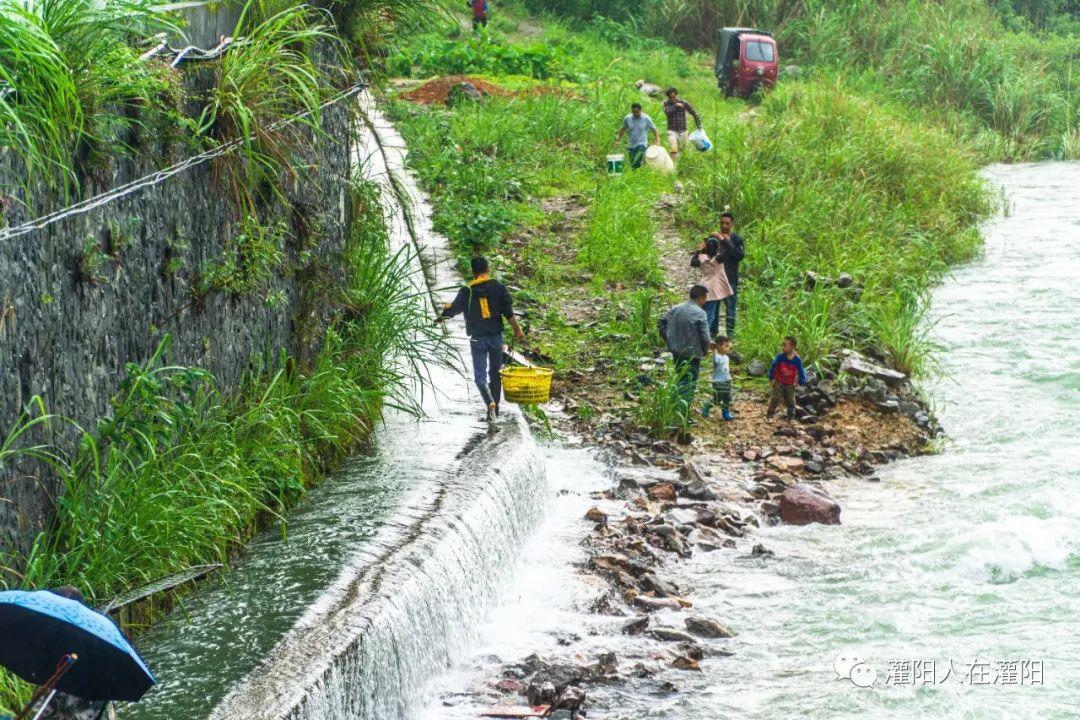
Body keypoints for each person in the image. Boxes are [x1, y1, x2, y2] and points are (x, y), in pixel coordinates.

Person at [438, 256, 526, 422]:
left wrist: (441, 317)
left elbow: (453, 310)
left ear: (472, 272)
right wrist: (518, 331)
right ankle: (495, 411)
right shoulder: (498, 287)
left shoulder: (467, 291)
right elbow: (508, 312)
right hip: (496, 338)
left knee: (480, 377)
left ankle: (489, 403)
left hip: (477, 339)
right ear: (488, 270)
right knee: (495, 373)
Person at [658, 285, 711, 419]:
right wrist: (705, 351)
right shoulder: (700, 314)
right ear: (701, 298)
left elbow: (661, 322)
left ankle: (672, 409)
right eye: (705, 298)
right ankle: (682, 414)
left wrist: (669, 339)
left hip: (676, 351)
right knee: (689, 383)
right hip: (692, 354)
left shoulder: (677, 308)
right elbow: (705, 337)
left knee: (681, 379)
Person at [690, 236, 734, 338]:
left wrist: (698, 251)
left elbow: (693, 263)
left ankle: (712, 331)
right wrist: (722, 239)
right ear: (717, 248)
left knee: (705, 310)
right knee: (710, 314)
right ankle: (705, 335)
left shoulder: (701, 258)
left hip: (703, 286)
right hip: (714, 289)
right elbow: (730, 249)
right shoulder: (717, 259)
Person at [713, 212, 745, 337]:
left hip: (730, 279)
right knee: (714, 307)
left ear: (731, 224)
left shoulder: (736, 239)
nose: (724, 226)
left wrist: (726, 241)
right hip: (716, 279)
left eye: (727, 223)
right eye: (722, 223)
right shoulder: (714, 238)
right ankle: (713, 331)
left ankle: (730, 334)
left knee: (730, 307)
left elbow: (740, 256)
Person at [767, 335, 807, 420]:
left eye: (785, 345)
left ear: (792, 346)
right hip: (779, 382)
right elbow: (773, 366)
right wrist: (771, 377)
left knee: (791, 401)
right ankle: (769, 415)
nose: (782, 347)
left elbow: (801, 370)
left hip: (790, 384)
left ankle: (791, 418)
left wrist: (801, 381)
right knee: (775, 399)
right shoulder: (780, 356)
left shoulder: (797, 359)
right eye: (782, 345)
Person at [615, 103, 660, 170]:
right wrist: (618, 140)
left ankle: (638, 172)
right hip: (630, 144)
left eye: (636, 112)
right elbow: (623, 129)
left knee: (637, 160)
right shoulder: (627, 118)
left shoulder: (646, 118)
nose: (635, 114)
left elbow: (654, 129)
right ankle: (637, 173)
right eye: (633, 112)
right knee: (633, 162)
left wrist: (657, 139)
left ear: (640, 110)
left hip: (642, 143)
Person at [662, 87, 702, 156]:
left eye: (674, 97)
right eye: (670, 98)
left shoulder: (684, 103)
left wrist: (699, 125)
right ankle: (672, 166)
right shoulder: (666, 104)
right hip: (672, 131)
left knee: (683, 151)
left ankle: (679, 165)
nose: (672, 99)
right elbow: (667, 112)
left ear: (676, 95)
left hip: (683, 131)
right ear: (668, 97)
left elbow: (694, 113)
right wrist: (676, 106)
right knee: (673, 149)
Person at [701, 336, 733, 421]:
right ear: (718, 347)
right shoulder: (717, 356)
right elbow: (715, 361)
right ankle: (707, 406)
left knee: (727, 397)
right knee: (717, 399)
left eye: (728, 346)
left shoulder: (726, 357)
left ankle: (726, 413)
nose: (727, 348)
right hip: (718, 381)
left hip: (727, 380)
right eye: (725, 346)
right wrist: (714, 351)